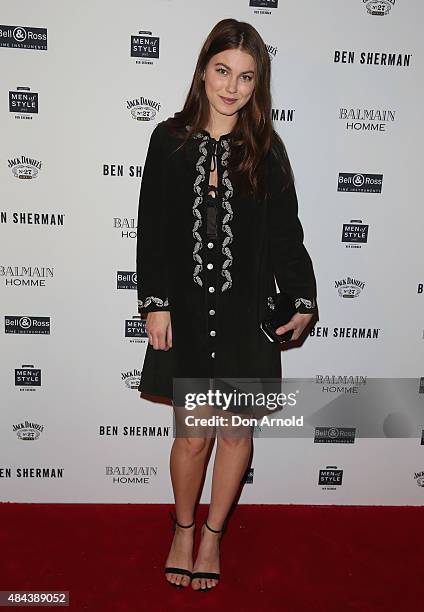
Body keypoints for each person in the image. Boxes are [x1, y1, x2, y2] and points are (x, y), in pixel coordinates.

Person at [136, 18, 318, 592]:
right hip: (186, 315)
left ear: (257, 83)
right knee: (193, 435)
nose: (231, 87)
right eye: (222, 71)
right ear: (203, 70)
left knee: (236, 436)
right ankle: (183, 529)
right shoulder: (168, 140)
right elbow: (153, 231)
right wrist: (156, 302)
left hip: (244, 316)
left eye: (245, 76)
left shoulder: (267, 147)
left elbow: (287, 233)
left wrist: (303, 296)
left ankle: (214, 535)